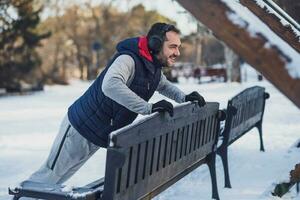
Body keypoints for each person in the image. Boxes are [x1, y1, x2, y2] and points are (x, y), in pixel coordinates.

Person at [21, 22, 206, 190]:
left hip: (97, 131)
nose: (177, 53)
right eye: (172, 46)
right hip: (79, 127)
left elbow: (163, 85)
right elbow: (110, 85)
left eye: (178, 47)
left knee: (57, 179)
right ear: (156, 44)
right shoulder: (128, 59)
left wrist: (184, 97)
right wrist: (147, 108)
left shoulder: (153, 67)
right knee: (47, 177)